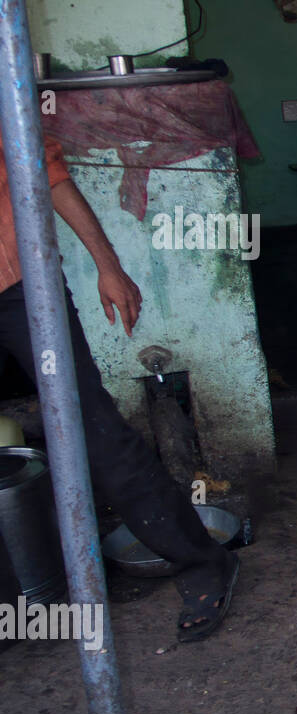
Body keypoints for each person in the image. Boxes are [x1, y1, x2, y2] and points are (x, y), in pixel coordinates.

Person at [0, 132, 237, 643]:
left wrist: (109, 265)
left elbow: (51, 175)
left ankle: (201, 561)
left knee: (94, 430)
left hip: (19, 286)